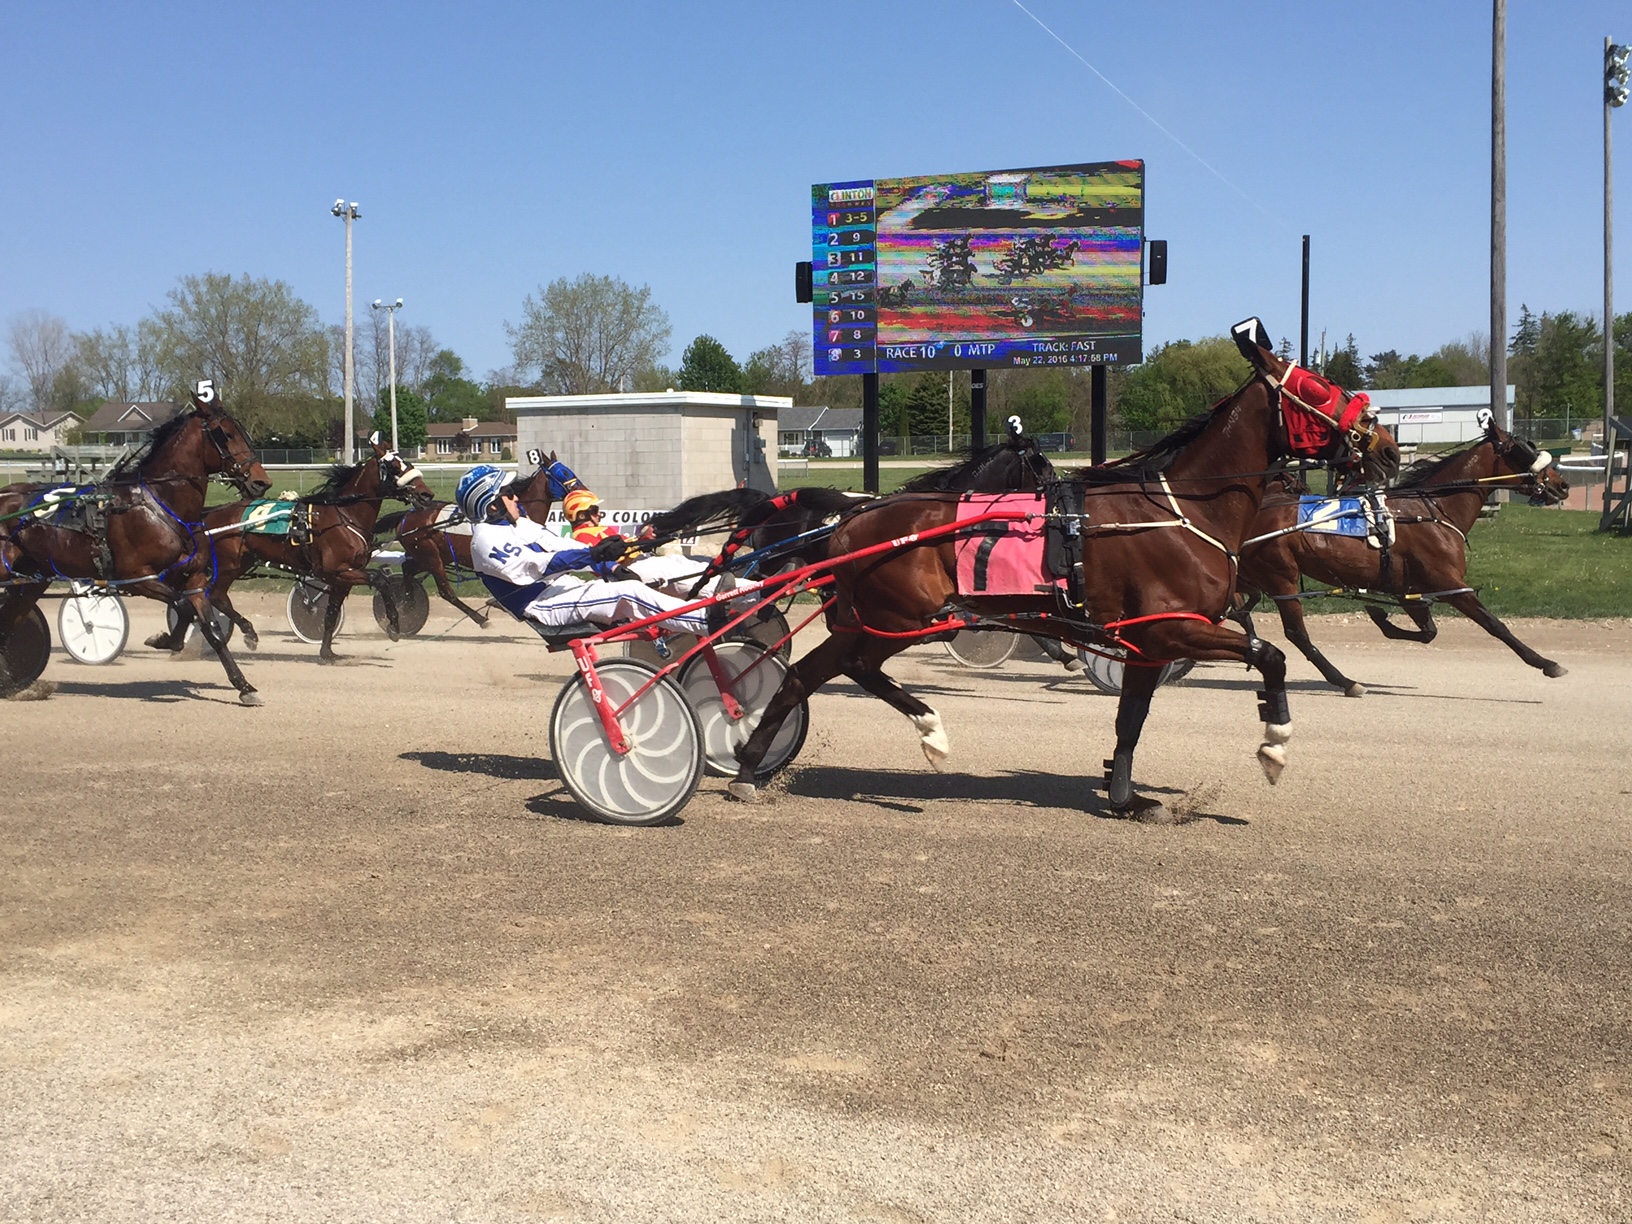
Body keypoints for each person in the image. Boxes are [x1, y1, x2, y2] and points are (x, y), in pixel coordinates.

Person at [457, 465, 716, 636]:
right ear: (490, 506)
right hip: (543, 605)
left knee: (652, 576)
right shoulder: (485, 541)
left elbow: (566, 546)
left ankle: (734, 598)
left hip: (563, 589)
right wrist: (594, 555)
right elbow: (540, 565)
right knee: (629, 593)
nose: (515, 497)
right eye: (507, 493)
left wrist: (610, 564)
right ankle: (707, 620)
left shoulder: (521, 525)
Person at [563, 483, 729, 599]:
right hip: (628, 571)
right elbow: (608, 559)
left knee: (677, 560)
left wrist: (646, 540)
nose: (599, 513)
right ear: (581, 514)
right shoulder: (582, 537)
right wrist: (642, 542)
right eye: (594, 510)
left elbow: (626, 545)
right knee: (673, 571)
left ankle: (726, 574)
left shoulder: (597, 529)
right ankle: (727, 592)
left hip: (639, 563)